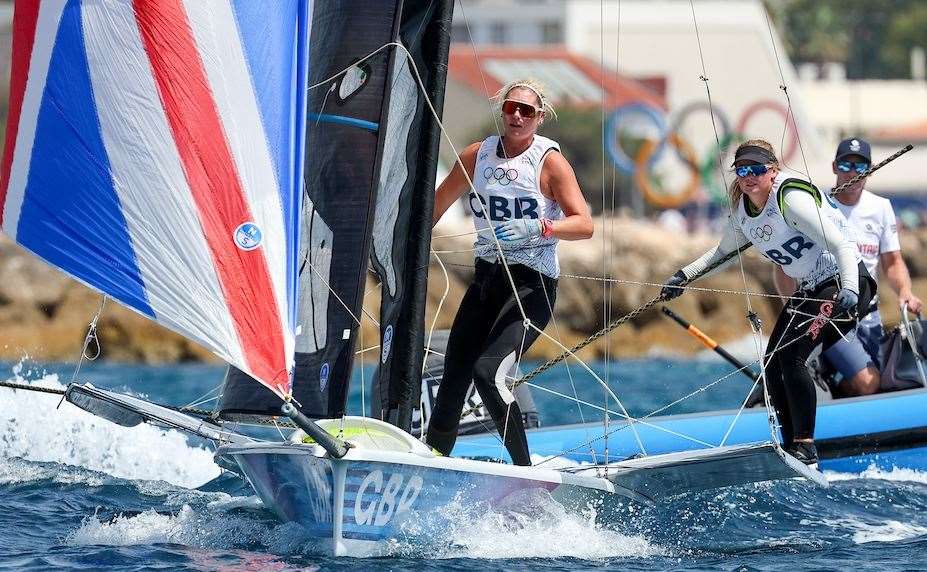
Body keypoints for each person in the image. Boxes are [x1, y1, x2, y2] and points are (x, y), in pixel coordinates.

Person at [661, 139, 874, 466]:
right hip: (811, 289)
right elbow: (722, 255)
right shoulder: (744, 215)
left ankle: (806, 446)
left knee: (794, 359)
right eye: (742, 170)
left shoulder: (790, 199)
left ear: (772, 171)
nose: (749, 176)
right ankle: (791, 449)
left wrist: (849, 289)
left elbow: (842, 245)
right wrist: (683, 276)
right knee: (773, 364)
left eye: (757, 169)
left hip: (844, 285)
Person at [426, 79, 593, 465]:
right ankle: (431, 467)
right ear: (502, 110)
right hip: (486, 282)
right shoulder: (476, 154)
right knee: (451, 382)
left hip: (531, 287)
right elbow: (433, 210)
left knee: (488, 374)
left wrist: (539, 227)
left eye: (527, 110)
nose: (517, 115)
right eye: (511, 108)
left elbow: (584, 224)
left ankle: (524, 470)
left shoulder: (549, 161)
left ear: (540, 117)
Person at [773, 137, 922, 396]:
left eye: (860, 166)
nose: (852, 172)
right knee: (869, 383)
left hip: (869, 315)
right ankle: (825, 392)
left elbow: (893, 262)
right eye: (845, 166)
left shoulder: (881, 208)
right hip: (830, 313)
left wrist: (905, 292)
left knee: (884, 382)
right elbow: (783, 265)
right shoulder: (813, 206)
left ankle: (829, 387)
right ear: (834, 167)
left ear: (870, 169)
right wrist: (793, 307)